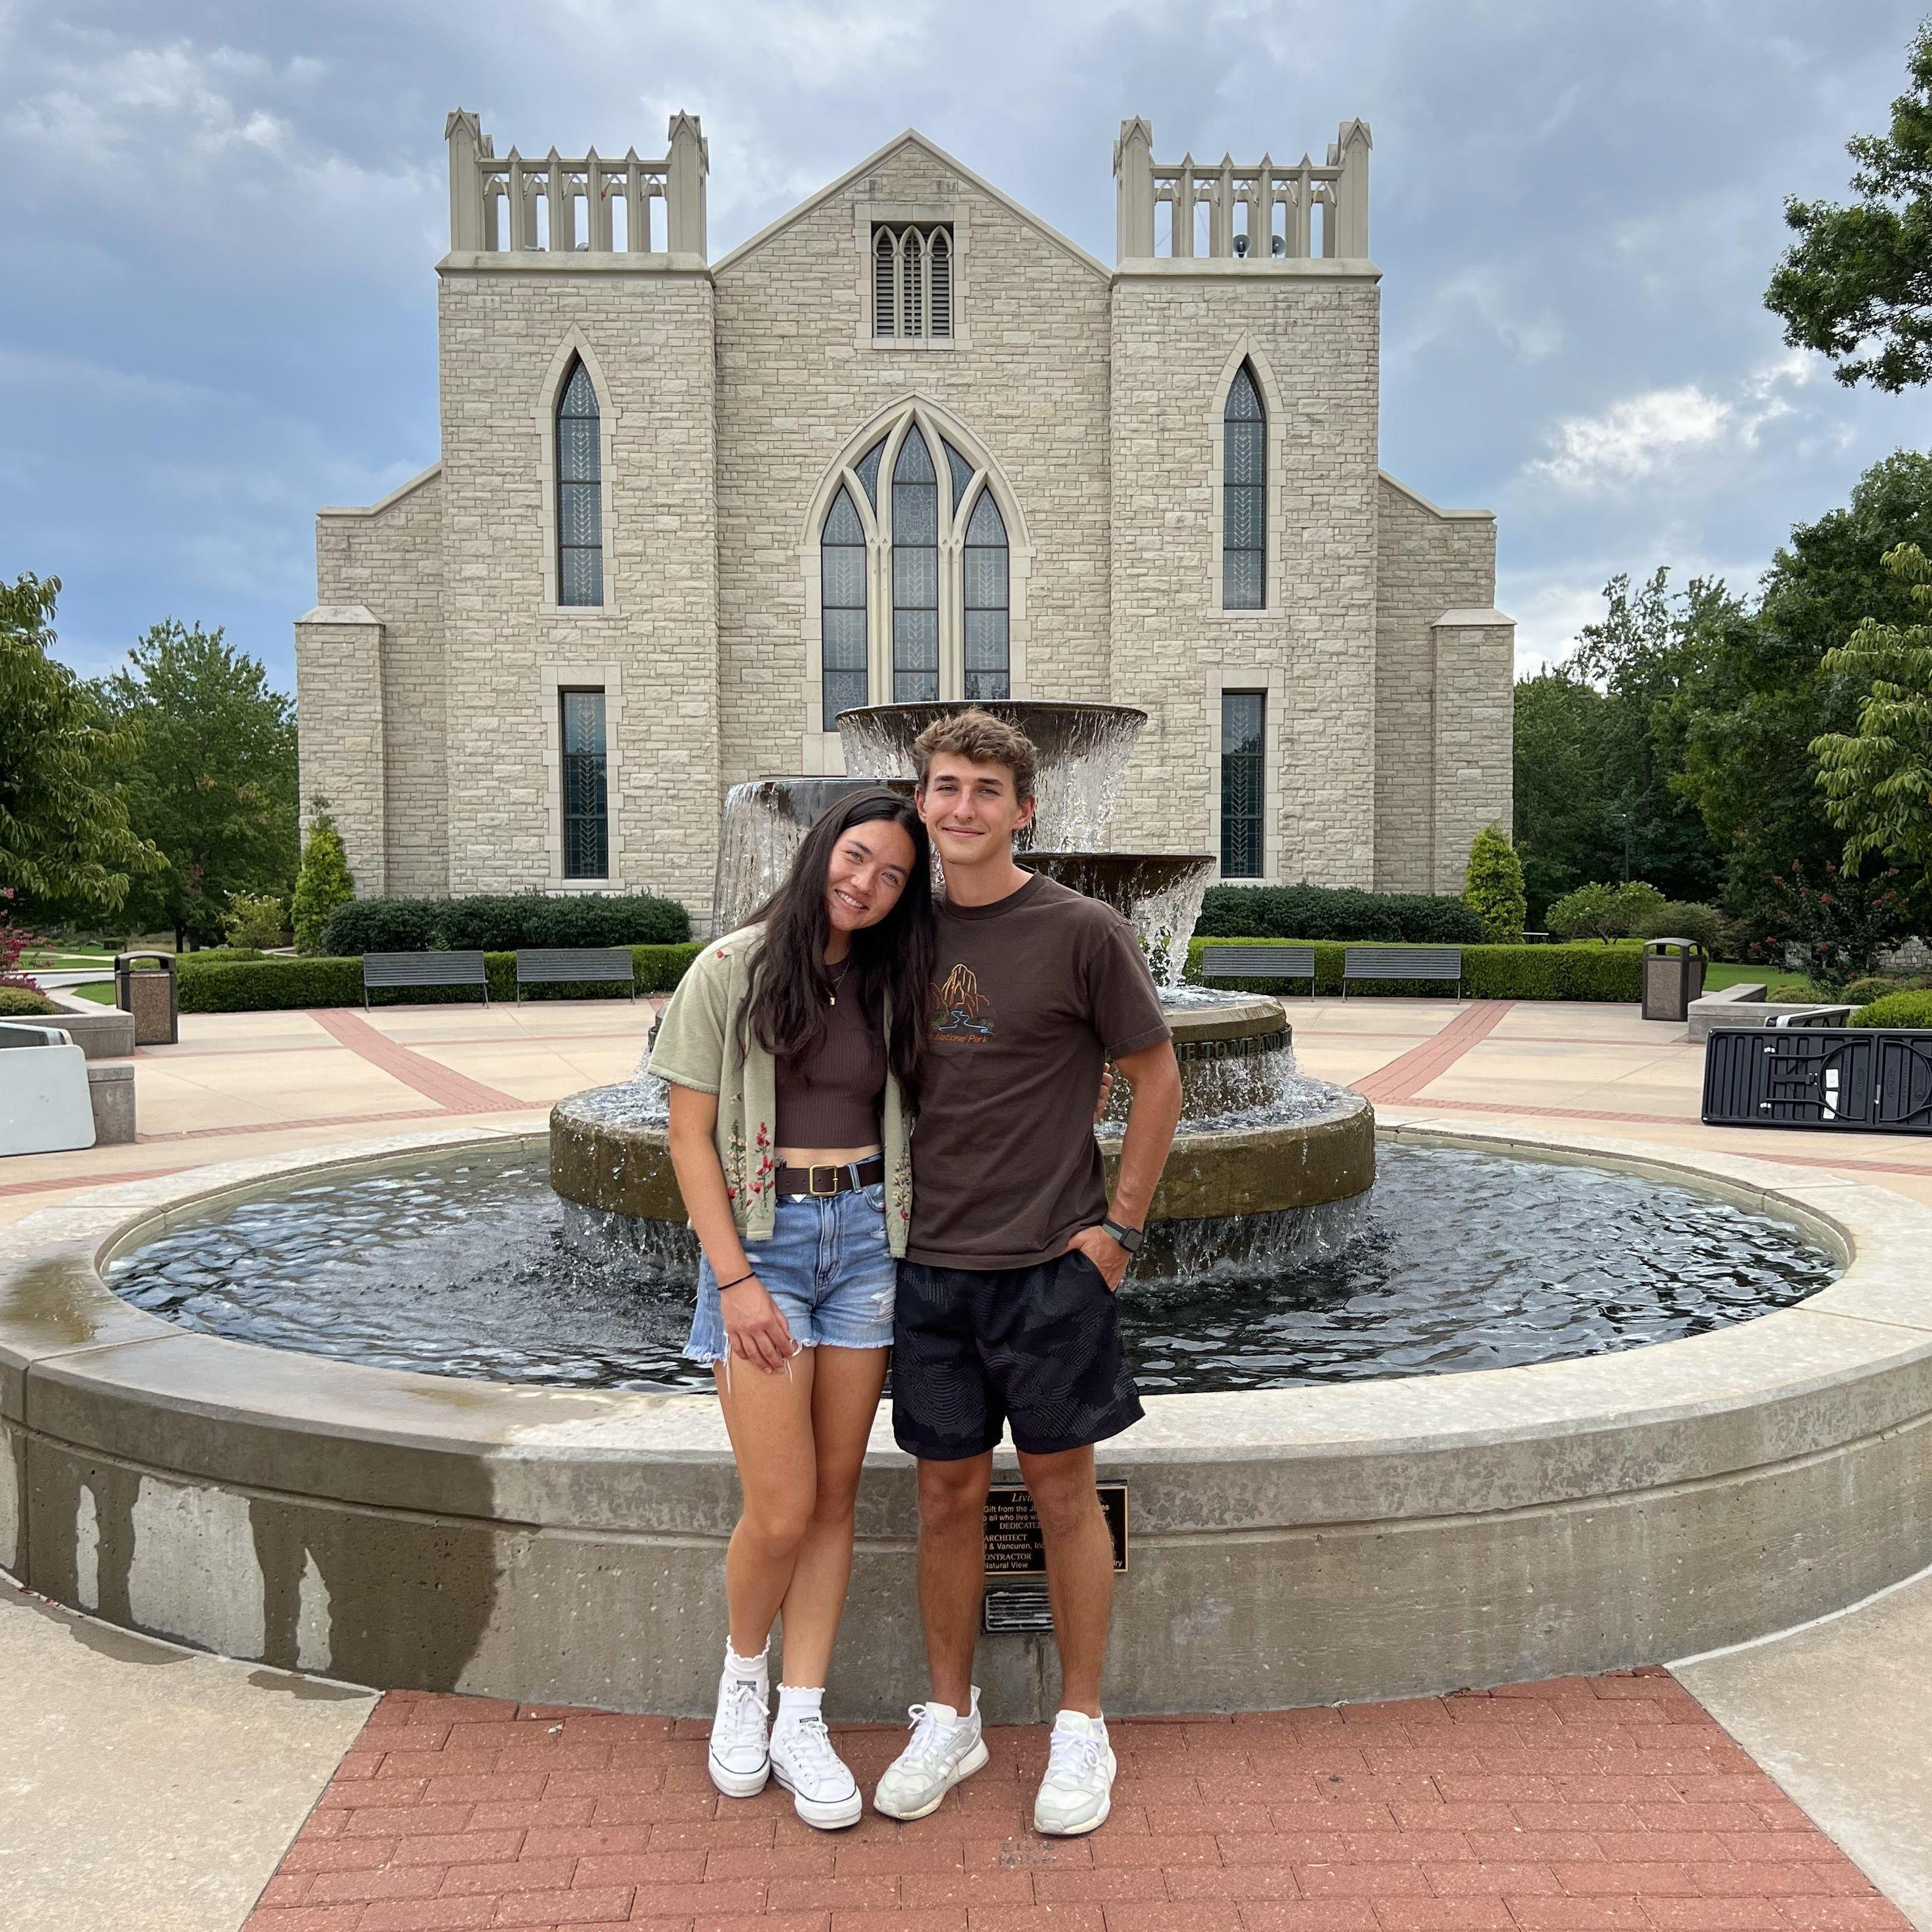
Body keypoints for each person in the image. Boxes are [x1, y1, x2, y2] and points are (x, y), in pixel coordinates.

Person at [872, 709, 1184, 1838]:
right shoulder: (894, 931)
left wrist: (1118, 1235)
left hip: (1054, 1268)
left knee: (1063, 1495)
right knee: (943, 1497)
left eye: (986, 791)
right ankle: (949, 1718)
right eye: (945, 787)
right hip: (927, 1274)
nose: (963, 807)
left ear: (1025, 810)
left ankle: (1082, 1724)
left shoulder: (1083, 930)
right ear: (921, 803)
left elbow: (1159, 1080)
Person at [647, 788, 933, 1831]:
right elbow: (688, 1136)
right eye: (857, 858)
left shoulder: (893, 981)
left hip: (865, 1246)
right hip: (762, 1245)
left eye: (893, 876)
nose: (867, 884)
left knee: (834, 1497)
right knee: (779, 1507)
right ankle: (743, 1680)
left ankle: (802, 1716)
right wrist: (733, 1280)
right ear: (822, 852)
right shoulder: (730, 969)